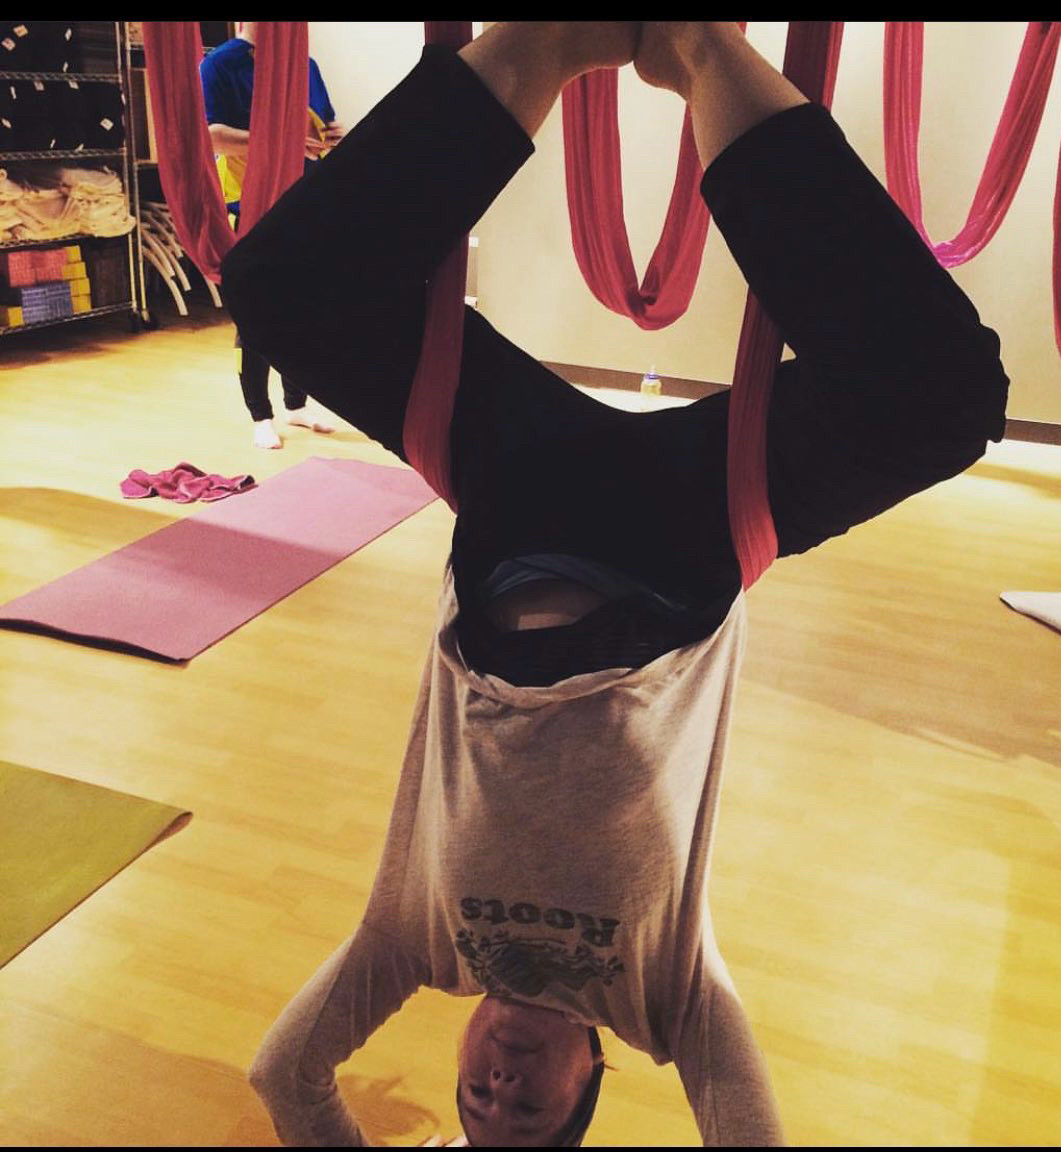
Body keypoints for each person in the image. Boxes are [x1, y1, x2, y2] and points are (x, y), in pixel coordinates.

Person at [220, 22, 1010, 1147]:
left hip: (512, 515)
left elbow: (285, 1081)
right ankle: (703, 52)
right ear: (591, 1074)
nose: (499, 1083)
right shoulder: (670, 998)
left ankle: (543, 46)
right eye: (529, 1110)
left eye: (475, 1100)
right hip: (685, 553)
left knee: (279, 288)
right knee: (945, 401)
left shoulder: (411, 944)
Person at [201, 20, 342, 449]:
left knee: (301, 305)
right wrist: (281, 142)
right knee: (255, 310)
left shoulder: (306, 65)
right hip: (248, 202)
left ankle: (296, 405)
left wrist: (332, 136)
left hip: (302, 199)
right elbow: (213, 137)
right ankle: (259, 413)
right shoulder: (219, 65)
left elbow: (322, 123)